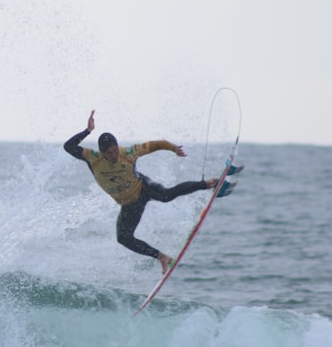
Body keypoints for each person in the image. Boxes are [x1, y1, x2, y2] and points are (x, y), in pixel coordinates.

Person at [63, 110, 238, 274]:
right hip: (129, 203)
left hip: (143, 187)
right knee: (123, 238)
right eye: (109, 153)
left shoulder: (128, 153)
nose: (114, 155)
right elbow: (68, 146)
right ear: (102, 152)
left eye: (115, 149)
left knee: (166, 195)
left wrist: (173, 148)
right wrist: (88, 130)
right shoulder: (91, 157)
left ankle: (209, 183)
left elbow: (156, 144)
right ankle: (162, 257)